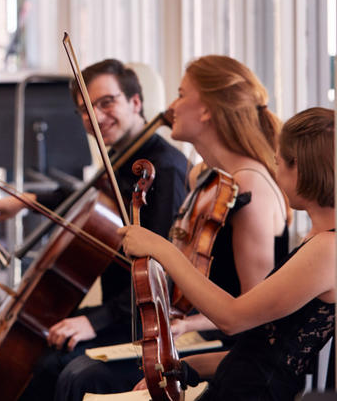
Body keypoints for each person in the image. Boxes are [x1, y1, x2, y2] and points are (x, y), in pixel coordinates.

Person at [54, 55, 290, 400]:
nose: (171, 105)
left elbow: (254, 315)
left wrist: (186, 321)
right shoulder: (203, 176)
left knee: (83, 375)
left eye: (181, 94)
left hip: (232, 349)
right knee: (76, 367)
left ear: (206, 110)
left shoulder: (249, 191)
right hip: (191, 326)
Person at [0, 59, 188, 401]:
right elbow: (86, 195)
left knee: (48, 363)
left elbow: (163, 273)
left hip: (143, 322)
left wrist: (95, 322)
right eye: (86, 110)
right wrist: (23, 200)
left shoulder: (166, 167)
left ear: (136, 102)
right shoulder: (122, 158)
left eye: (106, 103)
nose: (96, 117)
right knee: (36, 343)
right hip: (120, 311)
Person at [120, 106, 335, 400]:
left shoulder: (328, 249)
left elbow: (232, 318)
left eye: (279, 161)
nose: (274, 168)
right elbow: (259, 350)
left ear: (298, 166)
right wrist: (185, 367)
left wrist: (161, 248)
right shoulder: (319, 240)